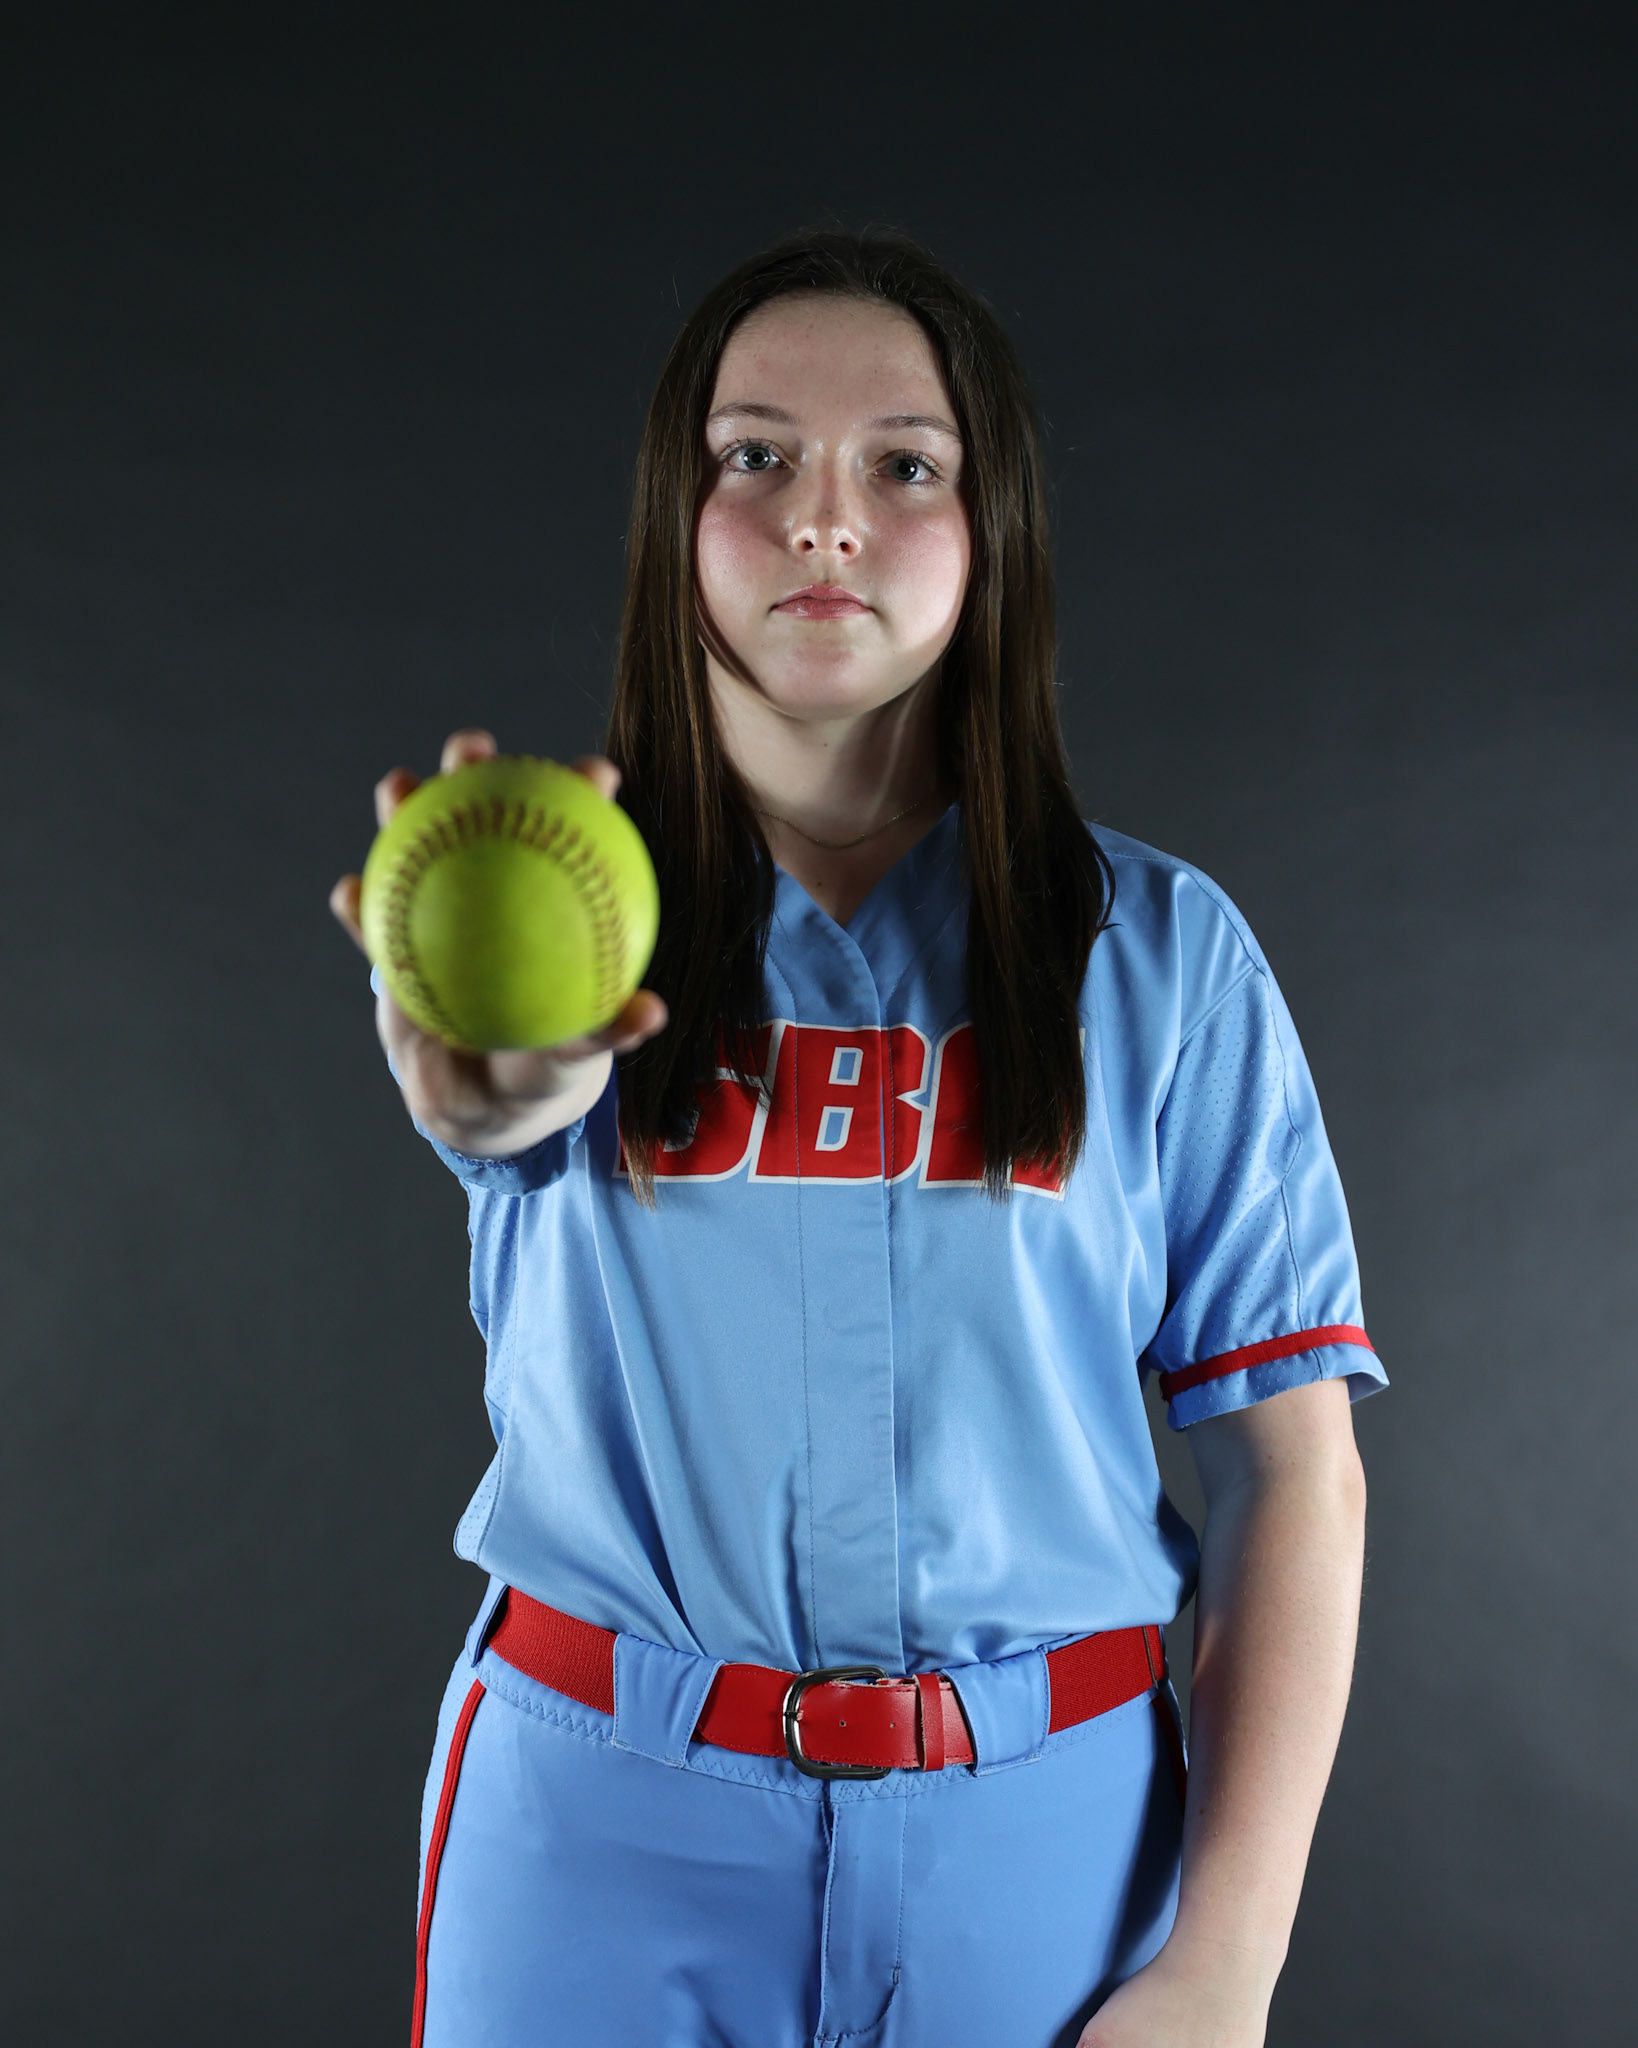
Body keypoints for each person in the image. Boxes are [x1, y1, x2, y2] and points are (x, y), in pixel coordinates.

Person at [330, 229, 1385, 2048]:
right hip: (602, 1821)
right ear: (678, 516)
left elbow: (1292, 1473)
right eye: (756, 457)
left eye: (903, 464)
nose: (824, 518)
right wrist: (483, 1076)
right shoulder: (550, 927)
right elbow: (494, 1100)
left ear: (995, 533)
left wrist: (1226, 1958)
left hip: (1046, 1822)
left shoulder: (1162, 956)